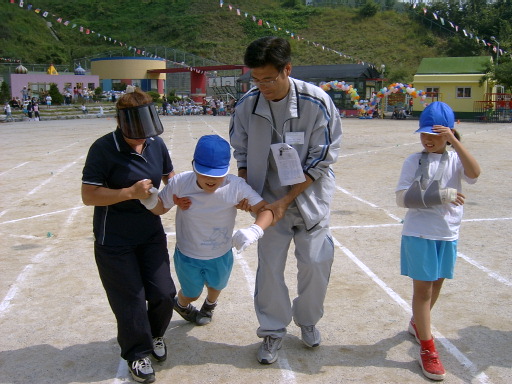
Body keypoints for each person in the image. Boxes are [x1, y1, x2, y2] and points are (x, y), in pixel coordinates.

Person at [229, 36, 342, 364]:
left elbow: (322, 158)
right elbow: (242, 150)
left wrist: (287, 200)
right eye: (255, 78)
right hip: (269, 205)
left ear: (287, 69)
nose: (261, 85)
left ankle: (307, 321)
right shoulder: (246, 106)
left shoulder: (317, 102)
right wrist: (250, 195)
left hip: (310, 200)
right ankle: (273, 331)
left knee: (316, 264)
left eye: (268, 78)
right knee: (270, 269)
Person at [81, 85, 186, 384]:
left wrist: (177, 191)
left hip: (150, 232)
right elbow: (89, 195)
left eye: (146, 131)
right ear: (120, 122)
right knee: (130, 299)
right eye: (136, 132)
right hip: (114, 239)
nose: (143, 138)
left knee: (164, 292)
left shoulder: (155, 143)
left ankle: (155, 335)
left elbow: (169, 174)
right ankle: (136, 353)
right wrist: (129, 192)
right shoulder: (103, 149)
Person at [140, 134, 273, 326]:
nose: (211, 179)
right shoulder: (180, 183)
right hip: (188, 254)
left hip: (220, 253)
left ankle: (210, 305)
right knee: (191, 293)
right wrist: (149, 199)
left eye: (217, 174)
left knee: (217, 285)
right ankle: (181, 304)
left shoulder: (235, 185)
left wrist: (255, 230)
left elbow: (267, 210)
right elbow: (161, 208)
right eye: (204, 173)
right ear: (194, 165)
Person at [395, 101, 480, 381]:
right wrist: (441, 195)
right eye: (424, 134)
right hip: (419, 232)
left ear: (449, 134)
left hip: (448, 232)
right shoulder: (413, 161)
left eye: (436, 134)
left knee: (438, 283)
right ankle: (428, 349)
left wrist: (455, 141)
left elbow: (475, 173)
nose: (428, 139)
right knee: (423, 292)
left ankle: (417, 325)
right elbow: (402, 198)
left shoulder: (455, 159)